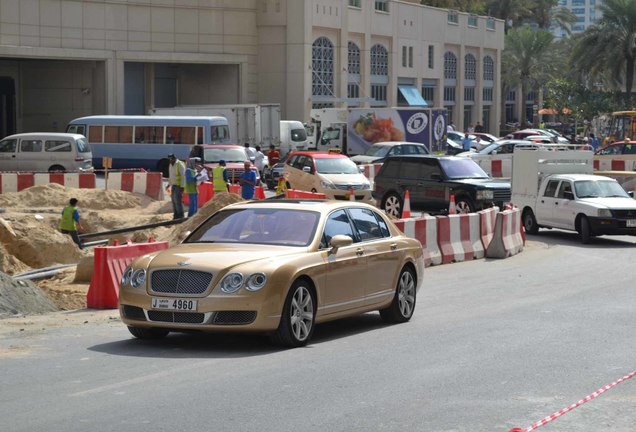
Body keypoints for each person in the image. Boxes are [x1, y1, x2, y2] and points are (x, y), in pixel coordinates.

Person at [168, 154, 186, 219]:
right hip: (174, 185)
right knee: (173, 200)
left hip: (179, 185)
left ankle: (180, 216)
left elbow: (183, 176)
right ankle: (175, 215)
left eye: (171, 159)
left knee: (177, 200)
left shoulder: (179, 164)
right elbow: (171, 175)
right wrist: (169, 184)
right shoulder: (170, 164)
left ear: (174, 158)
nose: (170, 161)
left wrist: (182, 186)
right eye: (169, 159)